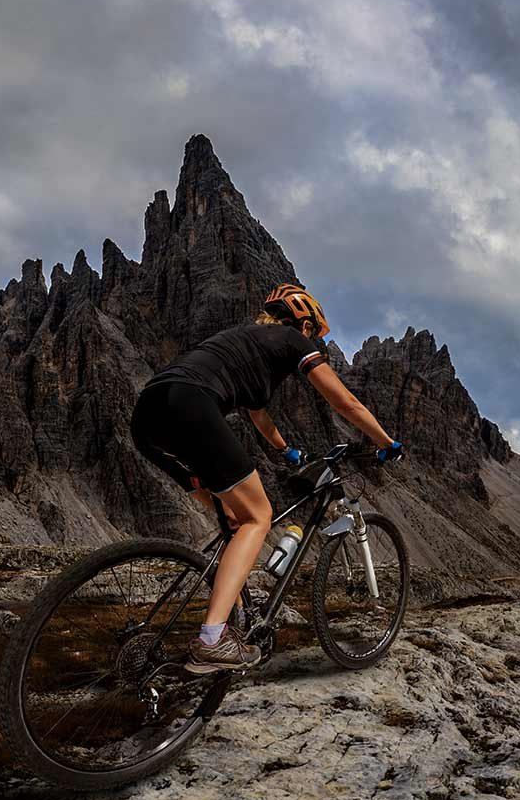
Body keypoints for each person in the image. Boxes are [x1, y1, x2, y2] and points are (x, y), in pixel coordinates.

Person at [130, 284, 403, 674]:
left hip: (148, 417)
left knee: (235, 520)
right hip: (191, 405)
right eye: (314, 335)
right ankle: (212, 639)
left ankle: (235, 617)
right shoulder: (293, 340)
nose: (314, 343)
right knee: (260, 516)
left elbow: (259, 416)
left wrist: (286, 450)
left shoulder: (246, 344)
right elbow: (345, 401)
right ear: (305, 324)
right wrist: (386, 442)